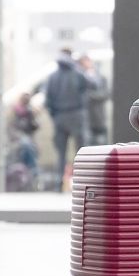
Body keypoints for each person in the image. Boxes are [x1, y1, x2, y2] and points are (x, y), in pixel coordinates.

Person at [42, 48, 88, 191]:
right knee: (81, 152)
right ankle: (83, 184)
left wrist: (55, 115)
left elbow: (47, 101)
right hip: (76, 115)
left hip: (60, 117)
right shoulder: (78, 74)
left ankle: (58, 185)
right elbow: (87, 90)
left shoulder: (52, 77)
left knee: (61, 153)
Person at [6, 92, 40, 191]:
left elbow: (35, 127)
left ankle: (32, 177)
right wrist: (22, 138)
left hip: (29, 143)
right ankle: (33, 175)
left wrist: (34, 116)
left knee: (29, 148)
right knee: (26, 146)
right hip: (17, 141)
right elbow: (11, 130)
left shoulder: (30, 113)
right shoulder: (14, 112)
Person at [78, 55, 109, 146]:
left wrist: (89, 95)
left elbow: (105, 94)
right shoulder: (80, 77)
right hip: (86, 118)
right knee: (88, 144)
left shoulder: (101, 78)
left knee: (102, 143)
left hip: (99, 117)